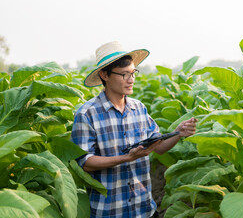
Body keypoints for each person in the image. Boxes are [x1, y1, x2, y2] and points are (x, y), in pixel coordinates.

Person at [70, 41, 197, 218]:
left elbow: (158, 146)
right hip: (110, 211)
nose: (131, 80)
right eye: (124, 75)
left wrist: (178, 132)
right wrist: (126, 158)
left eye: (133, 73)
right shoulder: (87, 114)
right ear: (104, 75)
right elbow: (85, 162)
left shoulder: (139, 109)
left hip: (144, 209)